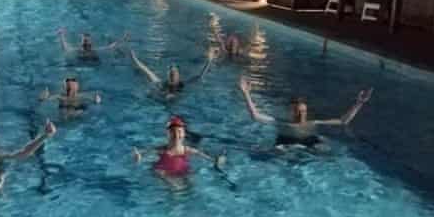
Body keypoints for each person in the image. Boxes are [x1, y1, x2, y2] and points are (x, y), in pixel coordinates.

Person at [238, 77, 373, 149]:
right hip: (287, 144)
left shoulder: (313, 123)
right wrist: (246, 94)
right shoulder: (282, 124)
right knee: (270, 152)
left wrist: (359, 103)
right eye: (299, 111)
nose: (302, 114)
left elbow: (343, 121)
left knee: (327, 152)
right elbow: (255, 115)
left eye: (303, 111)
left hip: (308, 143)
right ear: (292, 111)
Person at [132, 116, 225, 178]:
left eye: (179, 132)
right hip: (166, 176)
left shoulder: (188, 150)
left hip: (183, 174)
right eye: (173, 132)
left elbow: (207, 158)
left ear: (184, 134)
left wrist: (217, 160)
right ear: (167, 134)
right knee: (160, 173)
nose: (177, 135)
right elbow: (145, 154)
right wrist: (139, 158)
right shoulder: (162, 149)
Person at [130, 48, 216, 98]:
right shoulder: (162, 84)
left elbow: (200, 76)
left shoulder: (183, 85)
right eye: (171, 74)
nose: (172, 76)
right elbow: (147, 71)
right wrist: (134, 59)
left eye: (174, 74)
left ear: (178, 76)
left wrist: (209, 61)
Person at [57, 28, 129, 63]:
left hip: (85, 62)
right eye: (86, 41)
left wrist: (61, 35)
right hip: (92, 63)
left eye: (86, 41)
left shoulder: (80, 50)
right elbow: (112, 46)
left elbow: (66, 48)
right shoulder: (93, 50)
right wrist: (61, 36)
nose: (87, 43)